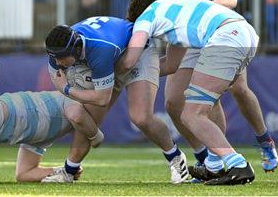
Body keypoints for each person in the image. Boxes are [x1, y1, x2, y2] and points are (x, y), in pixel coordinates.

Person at [157, 0, 278, 174]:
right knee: (172, 102)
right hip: (189, 39)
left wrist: (208, 4)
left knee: (239, 90)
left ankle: (263, 140)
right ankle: (206, 157)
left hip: (219, 33)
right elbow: (164, 12)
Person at [120, 0, 257, 185]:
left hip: (225, 38)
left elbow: (130, 60)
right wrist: (142, 73)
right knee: (203, 109)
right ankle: (214, 167)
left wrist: (113, 73)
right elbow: (170, 65)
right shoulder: (171, 10)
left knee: (192, 115)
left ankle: (238, 165)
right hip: (245, 33)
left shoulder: (145, 18)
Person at [43, 17, 188, 184]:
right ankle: (69, 171)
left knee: (141, 117)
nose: (57, 62)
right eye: (55, 57)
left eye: (61, 58)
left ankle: (176, 157)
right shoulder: (57, 49)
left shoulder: (99, 50)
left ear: (76, 50)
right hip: (111, 55)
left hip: (138, 52)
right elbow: (55, 75)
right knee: (88, 119)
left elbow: (102, 99)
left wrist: (68, 89)